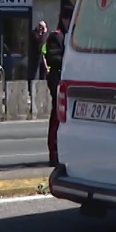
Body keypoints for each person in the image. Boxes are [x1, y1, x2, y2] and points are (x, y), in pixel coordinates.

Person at [44, 10, 69, 167]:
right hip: (57, 77)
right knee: (56, 115)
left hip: (67, 77)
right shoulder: (56, 36)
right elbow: (52, 57)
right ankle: (54, 153)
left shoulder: (71, 35)